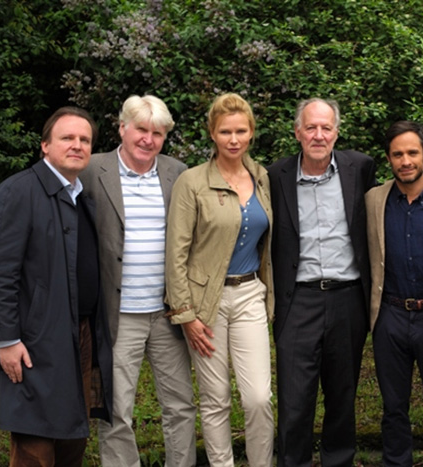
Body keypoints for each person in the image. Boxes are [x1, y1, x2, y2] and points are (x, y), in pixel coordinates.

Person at [0, 107, 113, 466]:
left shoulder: (81, 198)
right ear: (45, 146)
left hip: (79, 334)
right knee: (35, 444)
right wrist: (5, 340)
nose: (77, 145)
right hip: (33, 339)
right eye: (67, 138)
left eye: (85, 140)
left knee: (72, 436)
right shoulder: (19, 192)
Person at [82, 95, 197, 467]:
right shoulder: (91, 170)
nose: (149, 139)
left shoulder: (177, 173)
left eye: (158, 133)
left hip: (168, 314)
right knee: (116, 410)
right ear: (122, 128)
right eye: (142, 130)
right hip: (118, 314)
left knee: (180, 404)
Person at [165, 93, 274, 467]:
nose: (233, 139)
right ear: (212, 133)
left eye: (240, 131)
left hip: (248, 296)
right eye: (225, 131)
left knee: (258, 397)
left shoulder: (262, 177)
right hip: (205, 304)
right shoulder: (191, 182)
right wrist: (186, 313)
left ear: (251, 133)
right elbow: (175, 253)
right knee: (215, 399)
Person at [268, 98, 376, 467]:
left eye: (325, 128)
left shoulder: (359, 168)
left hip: (348, 299)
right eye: (310, 127)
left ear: (336, 132)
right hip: (298, 300)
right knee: (295, 402)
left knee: (342, 398)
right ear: (297, 132)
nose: (318, 135)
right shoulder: (275, 175)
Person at [366, 121, 423, 466]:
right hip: (389, 315)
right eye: (397, 154)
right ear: (389, 158)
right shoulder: (373, 200)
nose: (405, 160)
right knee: (393, 408)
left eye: (412, 153)